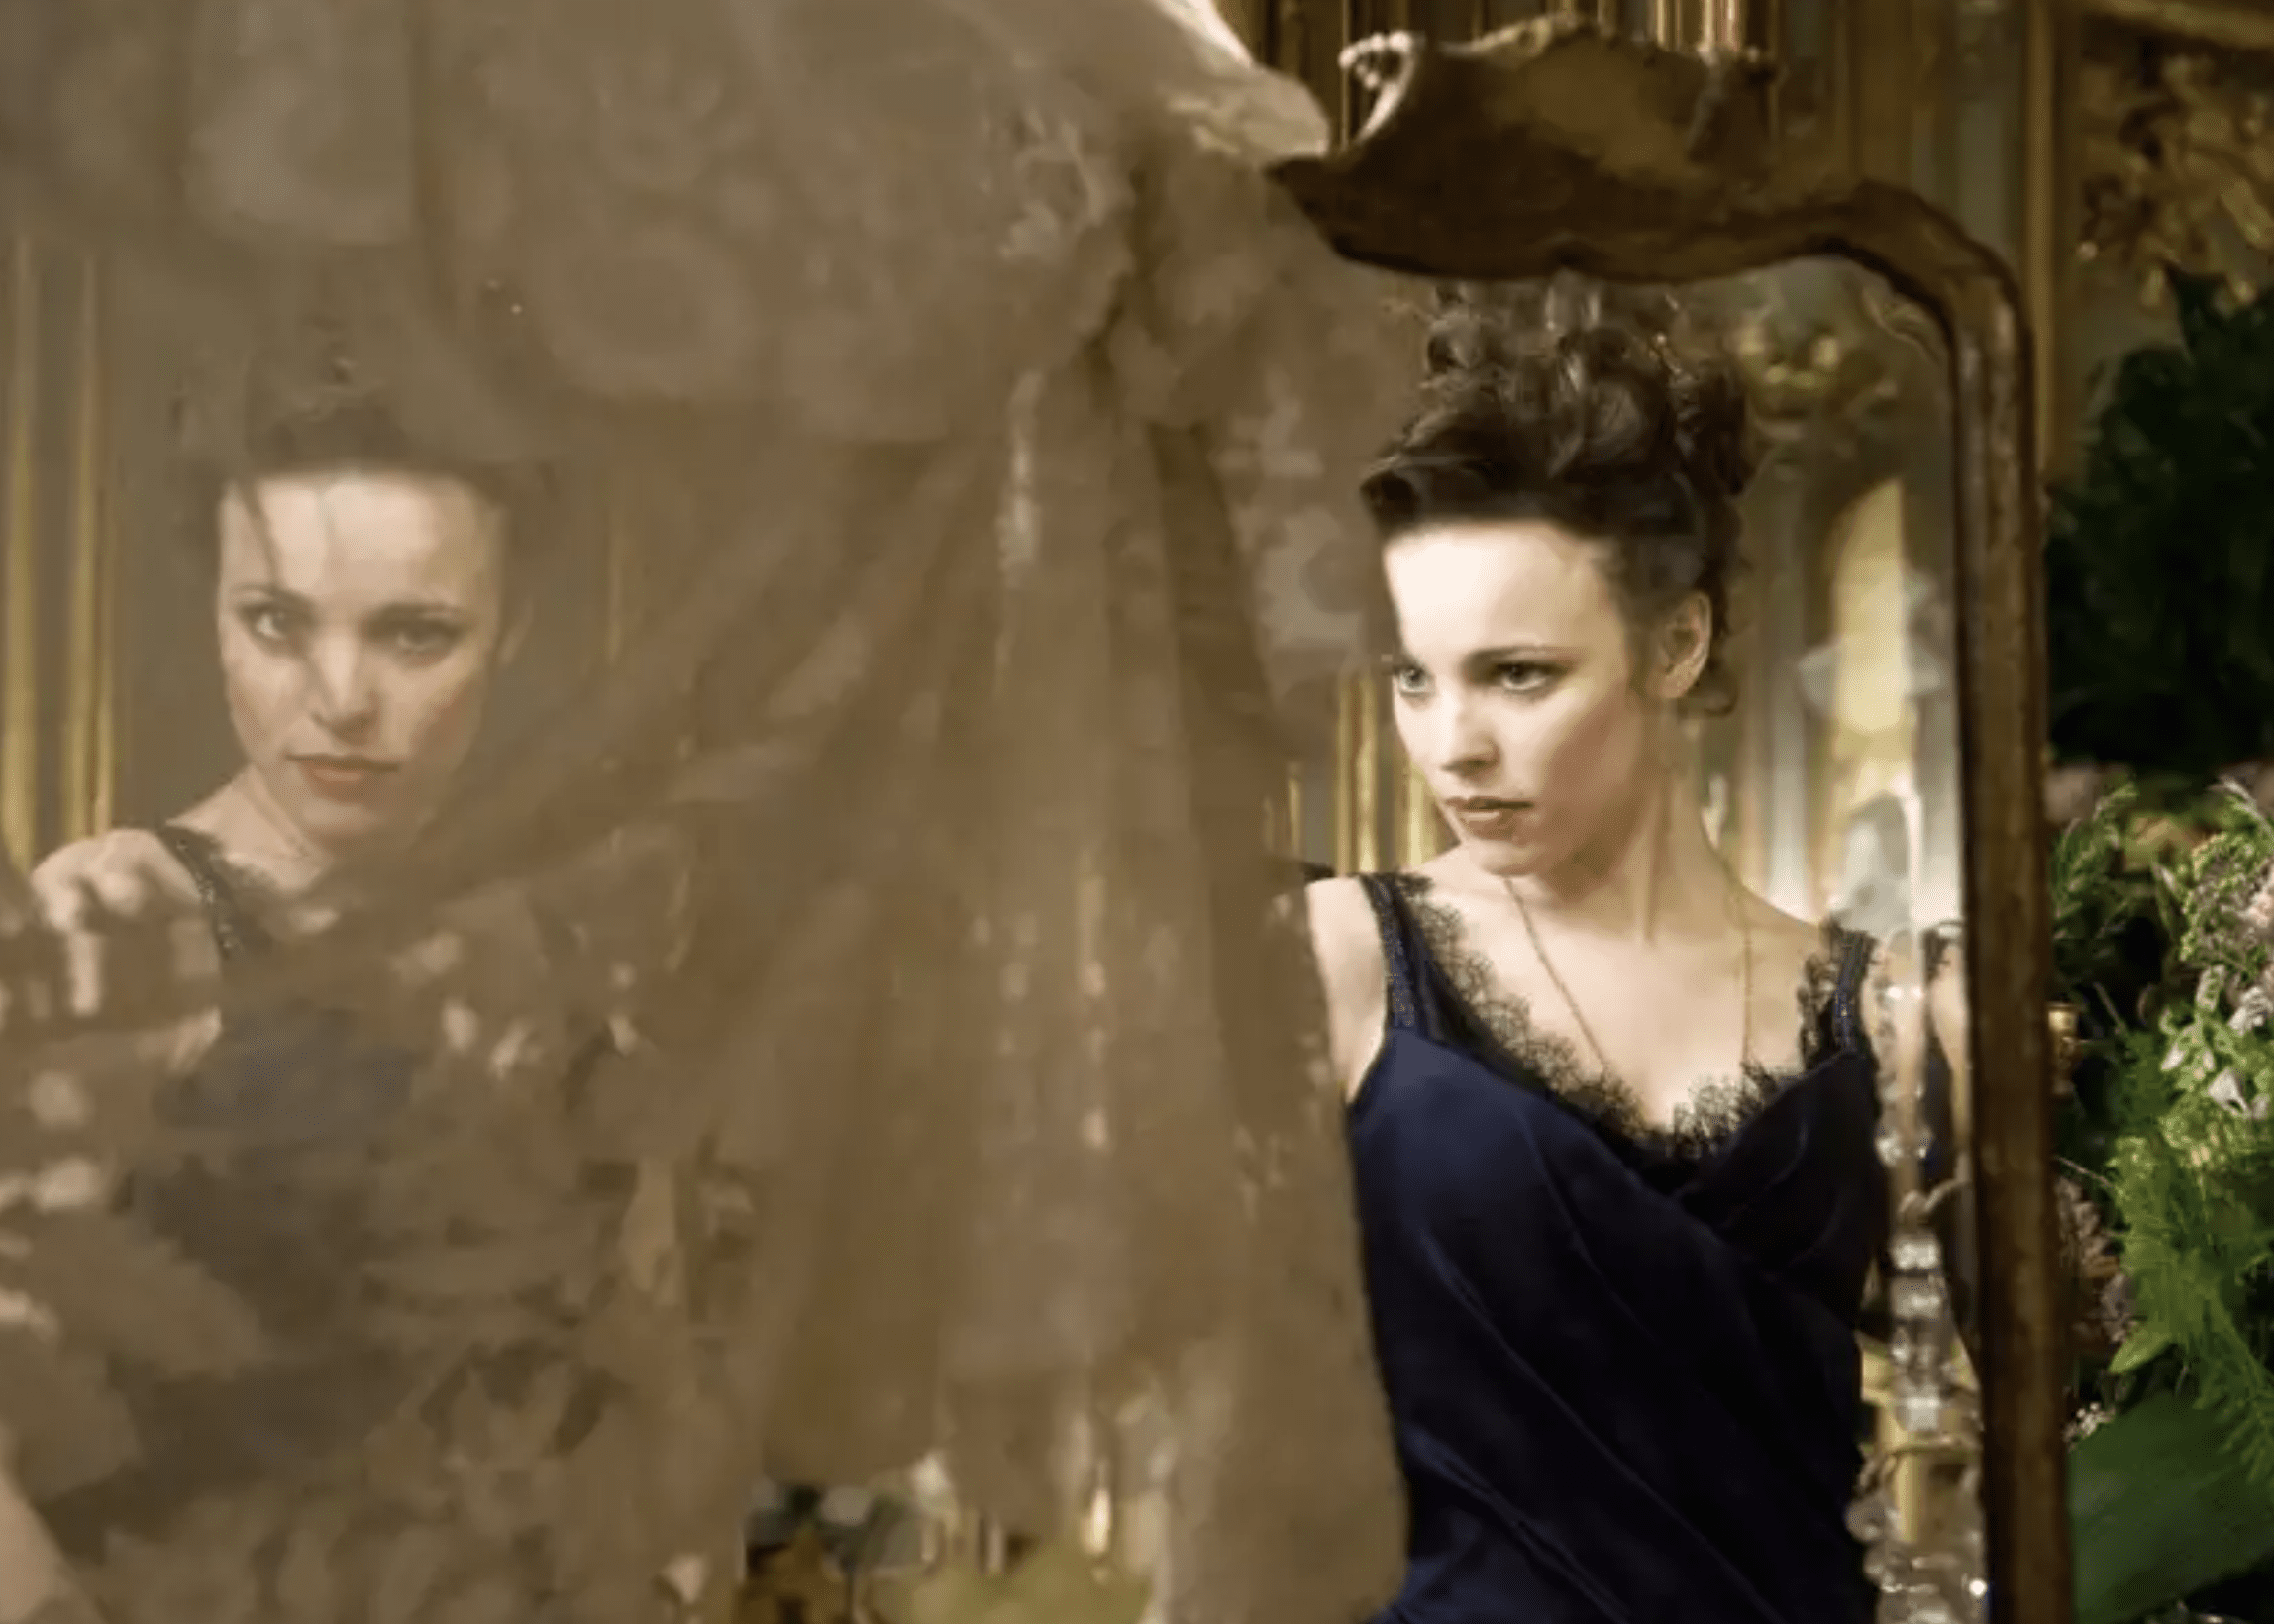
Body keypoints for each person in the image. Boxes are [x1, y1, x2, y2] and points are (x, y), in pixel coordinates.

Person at [1304, 287, 1889, 1624]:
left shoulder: (1892, 1010)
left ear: (1675, 642)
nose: (1451, 744)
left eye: (1517, 674)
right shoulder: (1333, 963)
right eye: (1413, 677)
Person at [24, 389, 552, 1560]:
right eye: (274, 622)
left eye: (414, 633)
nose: (340, 699)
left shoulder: (523, 932)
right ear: (213, 611)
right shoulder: (120, 926)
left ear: (512, 627)